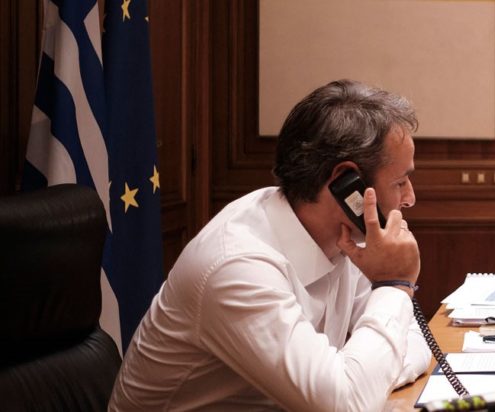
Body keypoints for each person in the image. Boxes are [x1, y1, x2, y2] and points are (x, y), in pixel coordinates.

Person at [108, 79, 431, 411]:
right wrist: (394, 285)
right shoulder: (236, 266)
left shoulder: (347, 235)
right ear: (347, 184)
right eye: (400, 182)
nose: (410, 198)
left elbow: (411, 340)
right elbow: (346, 404)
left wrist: (367, 377)